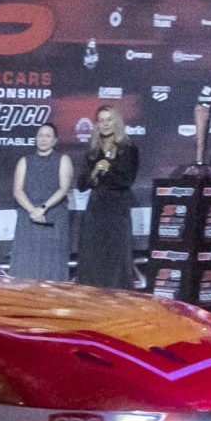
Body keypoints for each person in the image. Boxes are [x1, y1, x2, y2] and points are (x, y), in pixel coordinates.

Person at [74, 105, 140, 290]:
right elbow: (81, 184)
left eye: (109, 119)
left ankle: (118, 297)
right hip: (95, 211)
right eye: (101, 120)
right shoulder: (93, 150)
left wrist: (108, 169)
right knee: (92, 256)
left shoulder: (128, 149)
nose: (105, 124)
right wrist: (95, 171)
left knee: (116, 256)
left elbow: (126, 180)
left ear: (116, 121)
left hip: (117, 210)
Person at [7, 121, 75, 281]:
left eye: (48, 136)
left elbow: (64, 189)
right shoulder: (25, 161)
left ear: (55, 140)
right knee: (25, 265)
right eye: (40, 136)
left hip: (53, 217)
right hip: (29, 217)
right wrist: (33, 210)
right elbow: (17, 190)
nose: (43, 139)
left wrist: (43, 208)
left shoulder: (63, 160)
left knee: (52, 265)